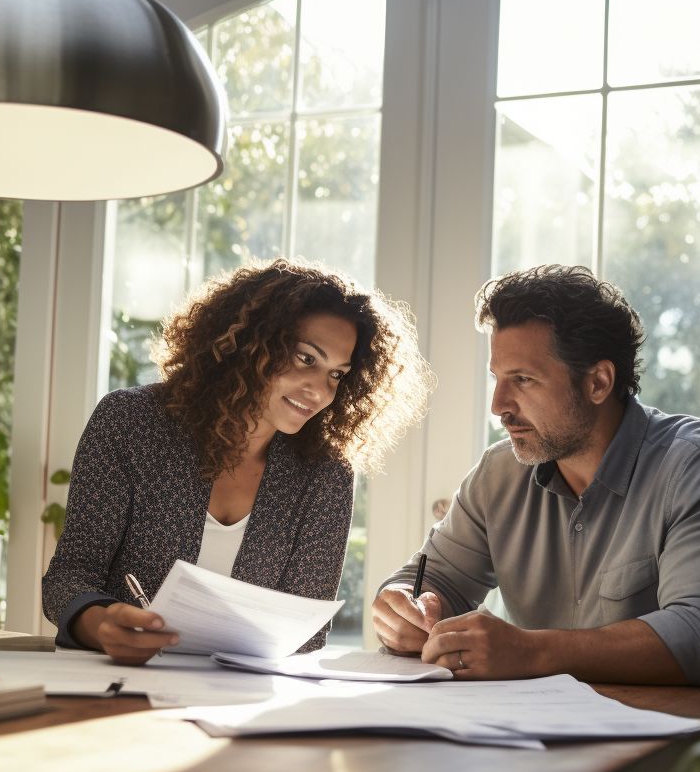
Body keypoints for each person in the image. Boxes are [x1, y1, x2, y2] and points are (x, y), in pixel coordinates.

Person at [371, 264, 700, 772]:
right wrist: (401, 608)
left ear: (599, 381)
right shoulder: (499, 475)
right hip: (565, 745)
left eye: (522, 380)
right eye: (496, 380)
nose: (498, 405)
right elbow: (430, 579)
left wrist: (525, 651)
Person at [44, 258, 432, 664]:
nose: (319, 390)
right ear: (251, 344)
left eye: (336, 375)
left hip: (241, 700)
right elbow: (70, 574)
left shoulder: (326, 472)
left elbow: (309, 628)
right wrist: (102, 626)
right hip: (118, 678)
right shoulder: (131, 422)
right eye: (306, 359)